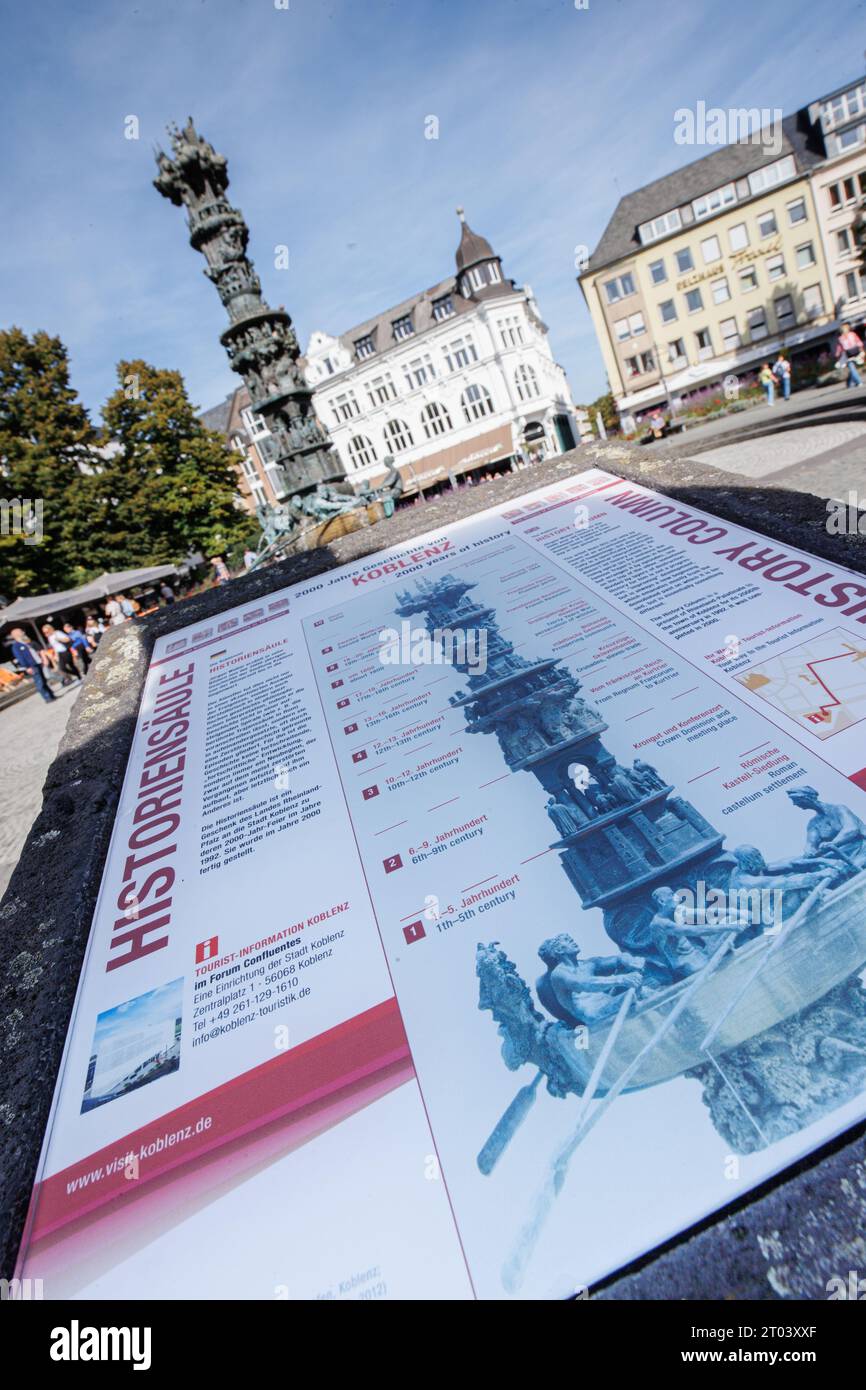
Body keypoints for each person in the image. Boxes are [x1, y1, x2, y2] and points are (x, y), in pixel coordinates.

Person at [8, 627, 56, 702]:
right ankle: (47, 698)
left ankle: (51, 695)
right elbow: (20, 658)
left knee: (43, 680)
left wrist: (42, 660)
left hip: (37, 663)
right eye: (21, 631)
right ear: (16, 634)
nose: (23, 632)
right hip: (31, 666)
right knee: (39, 682)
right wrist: (27, 667)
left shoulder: (25, 642)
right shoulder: (16, 646)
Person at [835, 322, 864, 388]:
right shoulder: (840, 338)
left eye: (845, 328)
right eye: (843, 329)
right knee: (852, 368)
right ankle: (858, 382)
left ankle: (848, 383)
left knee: (852, 369)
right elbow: (839, 348)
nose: (844, 329)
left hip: (855, 353)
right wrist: (837, 355)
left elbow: (858, 342)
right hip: (847, 355)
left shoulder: (852, 334)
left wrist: (861, 349)